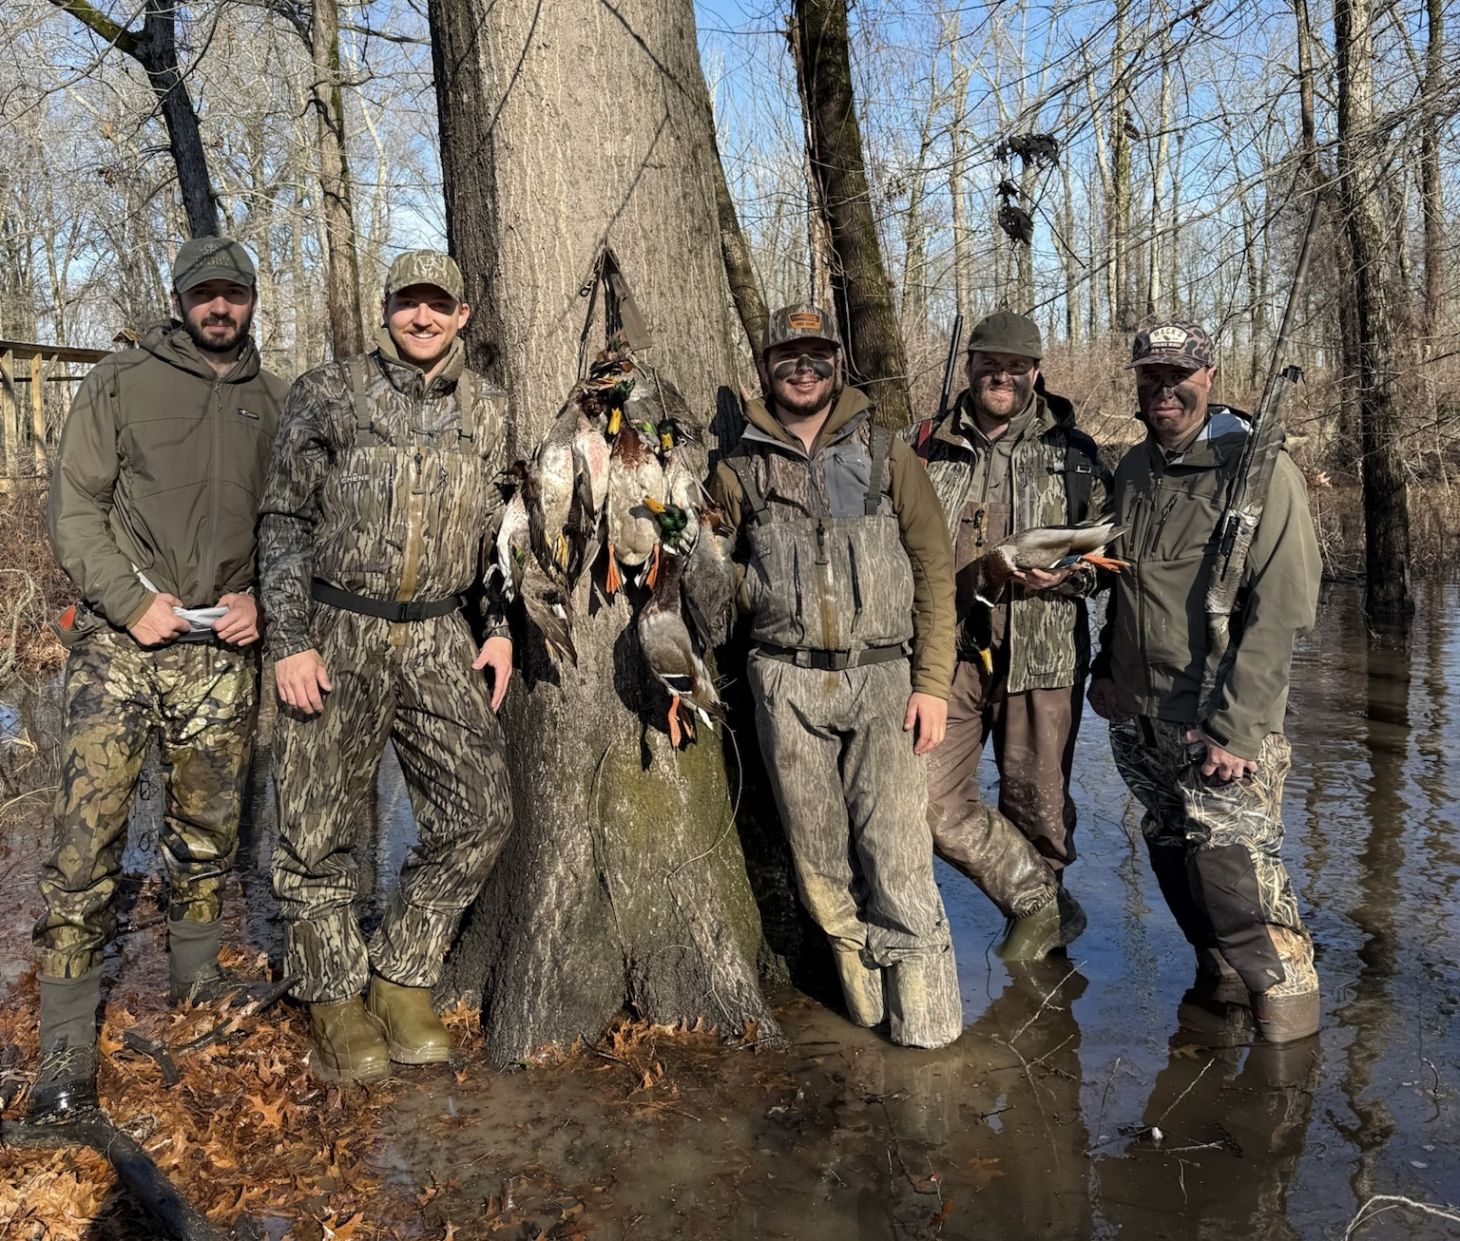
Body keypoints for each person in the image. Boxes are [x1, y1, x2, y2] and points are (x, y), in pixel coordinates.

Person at [32, 237, 287, 1121]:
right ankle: (63, 1048)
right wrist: (129, 601)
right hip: (122, 642)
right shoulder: (121, 382)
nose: (219, 307)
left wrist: (266, 598)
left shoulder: (279, 400)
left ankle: (198, 979)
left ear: (253, 301)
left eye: (234, 294)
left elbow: (294, 522)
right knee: (84, 842)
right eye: (203, 293)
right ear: (179, 299)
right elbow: (74, 508)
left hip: (222, 648)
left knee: (208, 831)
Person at [259, 250, 516, 1082]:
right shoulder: (328, 393)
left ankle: (402, 971)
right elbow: (284, 519)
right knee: (316, 822)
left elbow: (503, 544)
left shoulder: (492, 412)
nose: (422, 318)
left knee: (480, 810)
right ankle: (332, 992)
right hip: (338, 626)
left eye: (437, 304)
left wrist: (501, 626)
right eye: (409, 303)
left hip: (443, 633)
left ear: (462, 314)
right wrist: (288, 637)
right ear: (386, 308)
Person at [709, 303, 962, 1049]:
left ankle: (929, 1039)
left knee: (900, 864)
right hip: (784, 687)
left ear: (837, 364)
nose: (803, 367)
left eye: (817, 353)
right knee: (820, 869)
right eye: (788, 355)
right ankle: (866, 1021)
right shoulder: (736, 471)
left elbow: (935, 569)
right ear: (765, 369)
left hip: (886, 683)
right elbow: (712, 593)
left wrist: (933, 683)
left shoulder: (888, 455)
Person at [1087, 319, 1321, 1043]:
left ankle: (1289, 1061)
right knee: (1175, 865)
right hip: (1143, 720)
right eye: (1150, 377)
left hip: (1219, 724)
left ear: (1209, 377)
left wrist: (1238, 728)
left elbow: (1285, 605)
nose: (1165, 391)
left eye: (1178, 376)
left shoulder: (1253, 468)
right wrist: (1105, 669)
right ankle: (1218, 1007)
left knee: (1237, 886)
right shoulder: (1133, 470)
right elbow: (1127, 588)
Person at [909, 312, 1106, 959]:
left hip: (1041, 657)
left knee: (1038, 811)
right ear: (968, 366)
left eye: (1016, 366)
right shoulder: (926, 446)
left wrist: (1068, 578)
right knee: (928, 799)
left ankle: (1042, 977)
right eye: (989, 363)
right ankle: (1039, 904)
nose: (1002, 375)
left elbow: (1107, 561)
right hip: (952, 657)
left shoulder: (1073, 454)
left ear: (1035, 373)